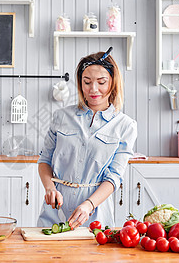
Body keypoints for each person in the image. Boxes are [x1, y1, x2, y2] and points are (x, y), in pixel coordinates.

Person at [37, 47, 137, 229]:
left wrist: (88, 205)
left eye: (101, 82)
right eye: (87, 82)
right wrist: (50, 188)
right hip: (54, 211)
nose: (93, 89)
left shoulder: (126, 126)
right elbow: (44, 161)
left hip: (95, 214)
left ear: (113, 83)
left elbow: (113, 177)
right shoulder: (61, 117)